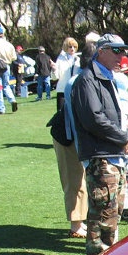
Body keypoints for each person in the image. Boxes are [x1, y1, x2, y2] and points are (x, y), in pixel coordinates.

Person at [70, 33, 128, 255]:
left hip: (113, 156)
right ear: (101, 50)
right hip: (102, 157)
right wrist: (123, 138)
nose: (122, 55)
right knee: (103, 214)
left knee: (114, 212)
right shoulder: (88, 80)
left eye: (124, 50)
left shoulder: (108, 78)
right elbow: (93, 119)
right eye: (117, 50)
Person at [52, 36, 87, 238]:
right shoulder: (77, 84)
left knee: (81, 180)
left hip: (74, 134)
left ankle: (80, 221)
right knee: (74, 180)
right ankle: (75, 224)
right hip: (66, 136)